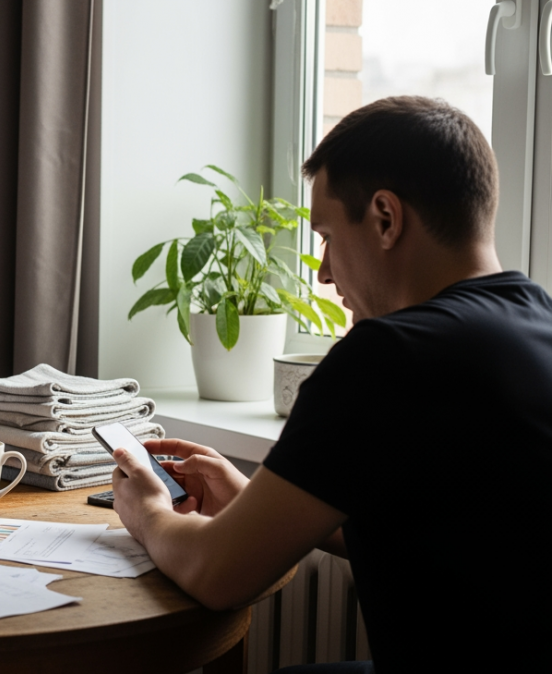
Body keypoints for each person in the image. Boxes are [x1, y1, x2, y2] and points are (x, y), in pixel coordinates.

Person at [110, 96, 552, 672]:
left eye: (326, 235)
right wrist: (256, 506)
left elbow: (212, 575)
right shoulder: (536, 321)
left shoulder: (387, 356)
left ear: (385, 219)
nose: (321, 271)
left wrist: (145, 509)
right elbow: (449, 536)